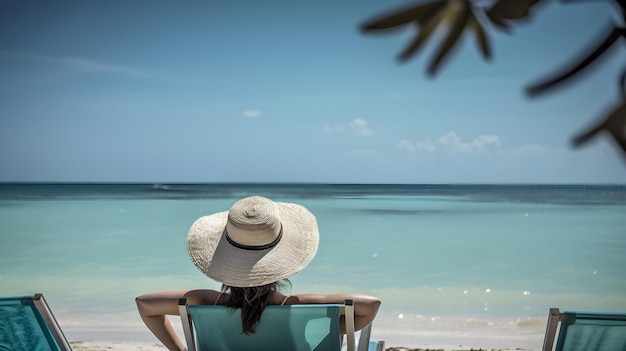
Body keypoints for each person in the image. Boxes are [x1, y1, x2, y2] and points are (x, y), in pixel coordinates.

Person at [136, 195, 381, 351]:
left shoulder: (206, 301)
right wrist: (329, 330)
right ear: (280, 265)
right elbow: (370, 305)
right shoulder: (296, 304)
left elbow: (145, 304)